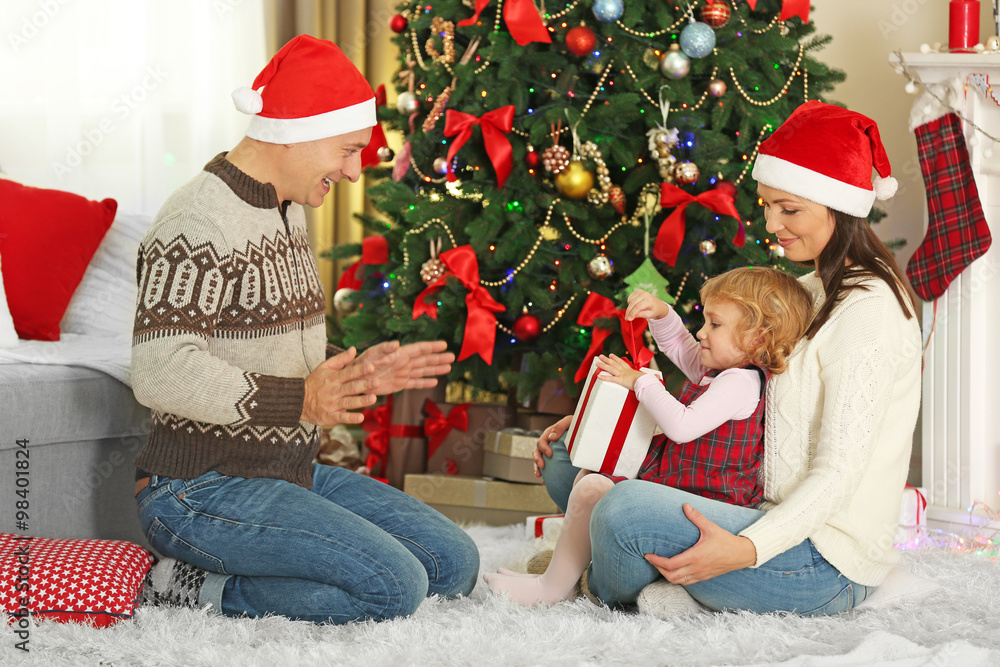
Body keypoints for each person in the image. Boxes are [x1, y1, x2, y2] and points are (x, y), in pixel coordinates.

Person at [131, 35, 479, 624]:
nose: (351, 171)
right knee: (394, 588)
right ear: (299, 132)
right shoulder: (196, 221)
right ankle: (184, 587)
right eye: (346, 150)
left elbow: (267, 344)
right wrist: (302, 398)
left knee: (452, 563)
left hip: (288, 471)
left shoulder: (285, 207)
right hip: (196, 488)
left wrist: (356, 369)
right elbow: (159, 372)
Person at [532, 100, 922, 616]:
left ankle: (600, 578)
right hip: (746, 505)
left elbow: (838, 472)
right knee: (572, 460)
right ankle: (644, 567)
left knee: (621, 510)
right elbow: (715, 383)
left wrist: (745, 549)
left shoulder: (869, 313)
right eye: (766, 205)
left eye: (789, 209)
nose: (772, 223)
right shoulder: (807, 289)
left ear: (839, 206)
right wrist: (608, 421)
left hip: (818, 558)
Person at [484, 267, 812, 605]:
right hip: (676, 483)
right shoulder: (722, 371)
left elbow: (681, 427)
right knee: (592, 481)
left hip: (703, 501)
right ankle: (558, 578)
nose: (701, 333)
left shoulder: (740, 383)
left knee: (594, 488)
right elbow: (682, 348)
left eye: (715, 324)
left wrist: (639, 381)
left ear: (757, 338)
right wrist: (663, 314)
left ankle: (559, 585)